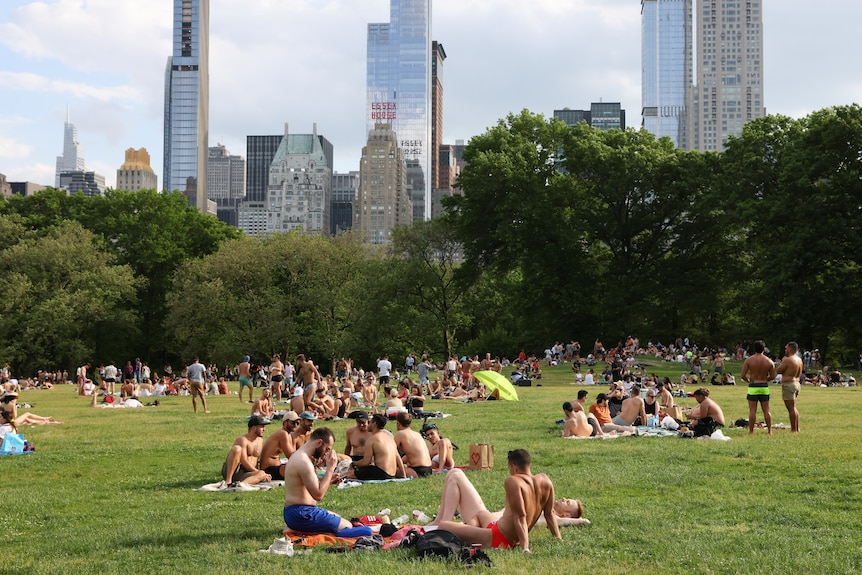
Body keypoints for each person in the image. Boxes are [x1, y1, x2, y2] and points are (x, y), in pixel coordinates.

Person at [434, 449, 562, 552]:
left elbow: (520, 516)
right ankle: (469, 530)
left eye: (509, 468)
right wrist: (558, 539)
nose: (510, 472)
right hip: (499, 527)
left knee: (443, 525)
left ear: (514, 466)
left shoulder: (514, 481)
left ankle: (468, 532)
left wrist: (525, 548)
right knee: (481, 514)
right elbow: (549, 514)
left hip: (500, 539)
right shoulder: (545, 480)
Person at [282, 426, 372, 537]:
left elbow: (306, 485)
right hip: (303, 514)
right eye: (327, 449)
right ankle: (302, 529)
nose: (325, 453)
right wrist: (330, 468)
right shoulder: (303, 462)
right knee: (355, 528)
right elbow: (318, 495)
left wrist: (328, 480)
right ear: (319, 442)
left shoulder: (299, 456)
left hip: (295, 513)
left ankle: (299, 528)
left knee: (339, 519)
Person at [348, 413, 405, 480]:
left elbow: (366, 462)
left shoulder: (372, 439)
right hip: (392, 474)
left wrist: (353, 464)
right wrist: (403, 474)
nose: (368, 424)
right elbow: (398, 458)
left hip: (381, 473)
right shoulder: (390, 438)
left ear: (374, 423)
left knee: (350, 474)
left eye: (370, 422)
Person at [221, 415, 272, 487]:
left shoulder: (260, 440)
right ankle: (228, 480)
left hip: (247, 473)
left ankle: (240, 485)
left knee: (262, 474)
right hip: (236, 471)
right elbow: (244, 461)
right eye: (262, 427)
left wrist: (261, 473)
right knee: (236, 449)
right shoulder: (243, 440)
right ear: (254, 428)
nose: (264, 429)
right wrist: (257, 471)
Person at [740, 340, 776, 434]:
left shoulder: (749, 360)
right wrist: (765, 379)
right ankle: (770, 431)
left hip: (753, 385)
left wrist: (748, 381)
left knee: (752, 410)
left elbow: (743, 375)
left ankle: (751, 431)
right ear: (764, 349)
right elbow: (772, 376)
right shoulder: (769, 361)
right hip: (764, 386)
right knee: (766, 410)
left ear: (754, 348)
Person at [259, 411, 300, 480]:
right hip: (268, 470)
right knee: (296, 468)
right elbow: (291, 456)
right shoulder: (282, 434)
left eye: (297, 423)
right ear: (285, 422)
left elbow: (294, 453)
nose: (295, 425)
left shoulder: (289, 434)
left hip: (276, 467)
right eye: (293, 422)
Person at [394, 412, 433, 478]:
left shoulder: (400, 434)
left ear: (398, 424)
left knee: (389, 471)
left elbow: (390, 452)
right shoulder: (417, 434)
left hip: (418, 470)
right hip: (429, 469)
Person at [776, 341, 803, 432]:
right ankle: (797, 427)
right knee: (794, 407)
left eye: (786, 348)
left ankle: (793, 429)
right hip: (797, 384)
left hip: (789, 384)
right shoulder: (799, 360)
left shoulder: (787, 359)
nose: (785, 349)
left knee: (791, 408)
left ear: (790, 349)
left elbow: (779, 370)